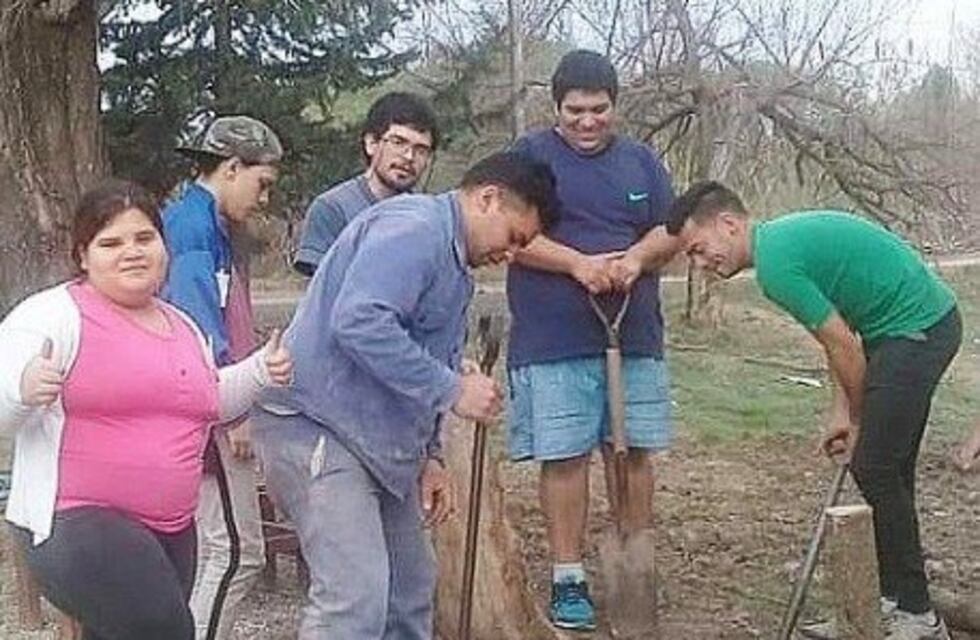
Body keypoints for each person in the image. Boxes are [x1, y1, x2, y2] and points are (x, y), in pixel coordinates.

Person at [250, 151, 558, 639]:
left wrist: (428, 457)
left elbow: (425, 355)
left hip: (376, 441)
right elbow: (359, 320)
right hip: (316, 427)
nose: (511, 254)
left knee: (409, 592)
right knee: (354, 603)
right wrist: (453, 388)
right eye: (514, 237)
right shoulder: (414, 230)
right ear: (488, 199)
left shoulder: (454, 263)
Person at [0, 179, 292, 640]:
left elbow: (209, 400)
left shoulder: (182, 325)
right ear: (83, 256)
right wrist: (21, 389)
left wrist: (260, 371)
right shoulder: (52, 316)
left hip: (173, 528)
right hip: (75, 520)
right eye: (110, 242)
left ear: (163, 245)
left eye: (144, 238)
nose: (131, 252)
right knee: (167, 631)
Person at [667, 181, 960, 640]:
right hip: (898, 332)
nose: (701, 264)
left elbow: (843, 343)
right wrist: (840, 411)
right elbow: (837, 335)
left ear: (728, 224)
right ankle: (888, 600)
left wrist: (860, 420)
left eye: (700, 249)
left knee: (877, 467)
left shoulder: (776, 266)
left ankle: (920, 615)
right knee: (887, 470)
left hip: (918, 328)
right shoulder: (780, 247)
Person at [505, 49, 677, 630]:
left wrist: (634, 259)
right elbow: (506, 234)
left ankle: (633, 560)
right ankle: (568, 575)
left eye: (598, 110)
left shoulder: (641, 162)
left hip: (635, 333)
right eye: (574, 110)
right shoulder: (529, 157)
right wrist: (577, 264)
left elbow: (670, 230)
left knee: (632, 451)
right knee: (565, 455)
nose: (587, 121)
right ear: (556, 108)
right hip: (554, 335)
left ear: (615, 106)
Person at [162, 114, 282, 640]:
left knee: (220, 550)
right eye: (263, 184)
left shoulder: (205, 221)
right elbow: (196, 327)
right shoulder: (192, 228)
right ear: (232, 167)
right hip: (211, 407)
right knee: (236, 553)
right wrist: (233, 411)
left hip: (207, 404)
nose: (264, 199)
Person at [293, 91, 439, 276]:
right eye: (398, 142)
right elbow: (323, 291)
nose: (409, 157)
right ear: (371, 143)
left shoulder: (430, 218)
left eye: (421, 150)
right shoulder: (333, 208)